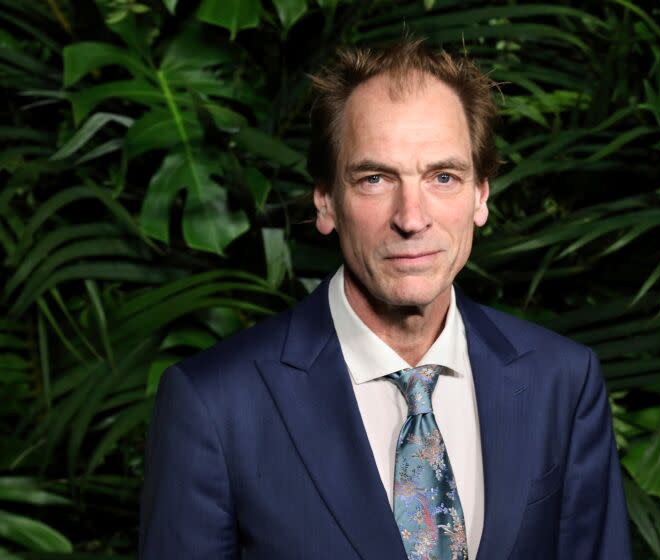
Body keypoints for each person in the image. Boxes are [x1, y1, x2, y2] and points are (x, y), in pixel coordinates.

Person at [139, 39, 632, 560]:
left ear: (481, 197)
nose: (412, 217)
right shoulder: (216, 405)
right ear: (326, 201)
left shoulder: (562, 381)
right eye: (375, 179)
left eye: (444, 177)